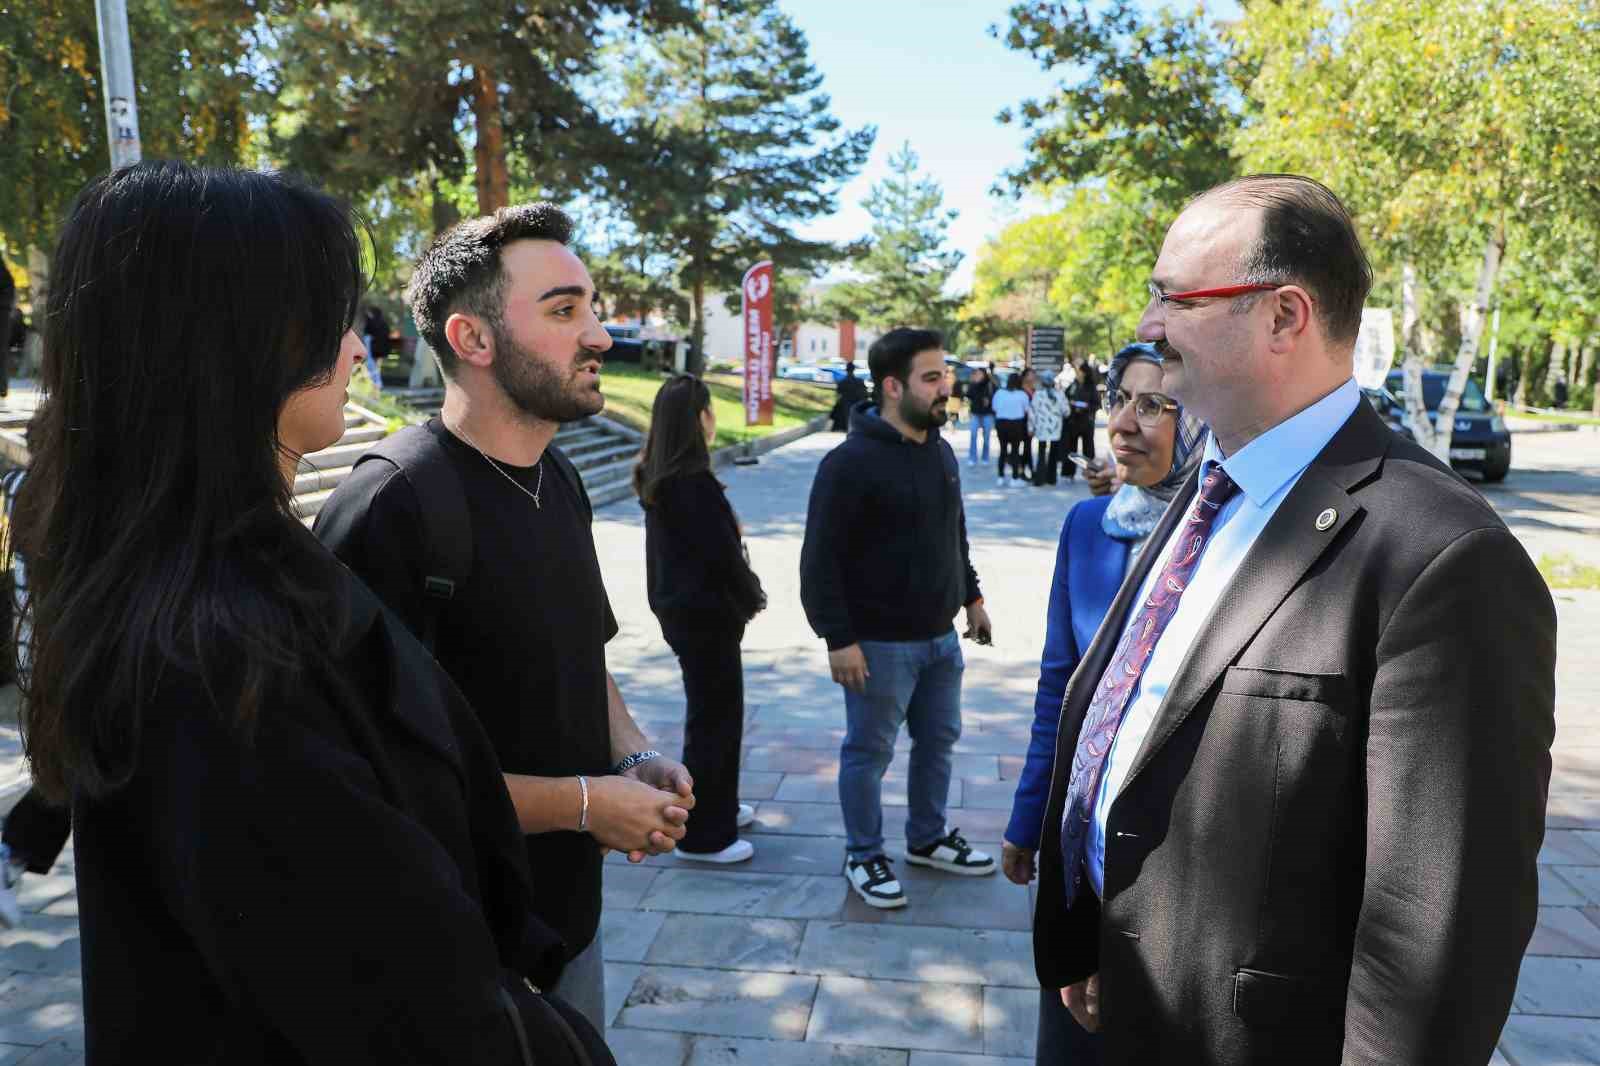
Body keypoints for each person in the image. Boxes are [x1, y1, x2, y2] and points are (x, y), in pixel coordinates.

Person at [8, 160, 615, 1064]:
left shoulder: (190, 592)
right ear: (237, 343)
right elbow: (408, 1006)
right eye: (333, 321)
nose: (354, 351)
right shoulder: (226, 655)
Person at [1031, 174, 1556, 1064]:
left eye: (1175, 296)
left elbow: (1441, 930)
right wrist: (1085, 924)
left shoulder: (1441, 557)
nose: (1150, 325)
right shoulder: (1207, 489)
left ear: (1284, 317)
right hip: (1105, 1002)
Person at [314, 202, 693, 1034]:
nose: (600, 336)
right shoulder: (390, 505)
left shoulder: (562, 483)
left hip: (567, 927)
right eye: (565, 311)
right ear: (473, 340)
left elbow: (578, 657)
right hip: (446, 948)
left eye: (592, 308)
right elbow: (366, 775)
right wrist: (586, 806)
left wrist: (633, 755)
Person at [1002, 343, 1206, 1065]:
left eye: (1154, 404)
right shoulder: (1089, 527)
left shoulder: (1227, 542)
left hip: (1181, 868)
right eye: (1120, 397)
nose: (1124, 420)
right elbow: (1061, 686)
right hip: (1077, 846)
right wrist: (1029, 816)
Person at [800, 327, 996, 913]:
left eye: (947, 376)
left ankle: (927, 838)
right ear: (892, 386)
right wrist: (839, 638)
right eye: (932, 378)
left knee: (938, 742)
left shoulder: (939, 450)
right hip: (878, 647)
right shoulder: (847, 463)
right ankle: (863, 853)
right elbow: (819, 560)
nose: (947, 388)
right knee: (869, 752)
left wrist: (973, 598)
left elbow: (952, 534)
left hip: (940, 640)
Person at [635, 375, 767, 863]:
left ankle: (719, 807)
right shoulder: (691, 485)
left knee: (715, 715)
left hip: (687, 615)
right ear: (698, 420)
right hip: (704, 618)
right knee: (715, 720)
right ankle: (705, 835)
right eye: (708, 411)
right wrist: (751, 597)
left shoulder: (663, 477)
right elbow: (723, 559)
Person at [1061, 362, 1100, 480]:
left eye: (1079, 371)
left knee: (1088, 448)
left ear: (1084, 373)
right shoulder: (1073, 385)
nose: (1077, 373)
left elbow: (1096, 404)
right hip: (1073, 421)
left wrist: (1085, 407)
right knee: (1071, 448)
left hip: (1086, 421)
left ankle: (1089, 472)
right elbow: (1065, 398)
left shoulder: (1091, 387)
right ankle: (1069, 473)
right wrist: (1071, 405)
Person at [992, 371, 1031, 486]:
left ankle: (1000, 476)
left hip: (1001, 423)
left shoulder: (999, 393)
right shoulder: (1022, 395)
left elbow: (994, 408)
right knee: (1015, 451)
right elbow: (1026, 410)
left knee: (1003, 450)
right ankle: (1014, 477)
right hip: (1016, 424)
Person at [1028, 371, 1066, 486]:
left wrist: (1031, 427)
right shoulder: (1060, 394)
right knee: (1053, 454)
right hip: (1055, 428)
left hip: (1041, 429)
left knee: (1041, 453)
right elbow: (1066, 411)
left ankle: (1039, 478)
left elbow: (1032, 412)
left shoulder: (1038, 395)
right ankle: (1051, 478)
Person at [965, 366, 995, 466]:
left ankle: (985, 457)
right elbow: (968, 395)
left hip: (987, 413)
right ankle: (972, 458)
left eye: (980, 373)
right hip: (975, 413)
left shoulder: (990, 384)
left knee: (986, 437)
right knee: (973, 435)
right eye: (977, 374)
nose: (978, 375)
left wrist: (989, 401)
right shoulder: (973, 384)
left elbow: (995, 396)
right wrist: (974, 383)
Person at [832, 360, 869, 431]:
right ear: (854, 369)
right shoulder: (859, 382)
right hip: (857, 407)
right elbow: (865, 395)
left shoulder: (842, 382)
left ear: (846, 370)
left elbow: (838, 396)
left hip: (844, 408)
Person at [361, 303, 390, 391]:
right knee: (377, 367)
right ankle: (377, 384)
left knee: (371, 366)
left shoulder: (371, 322)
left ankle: (376, 384)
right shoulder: (384, 323)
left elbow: (367, 332)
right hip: (381, 350)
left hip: (372, 348)